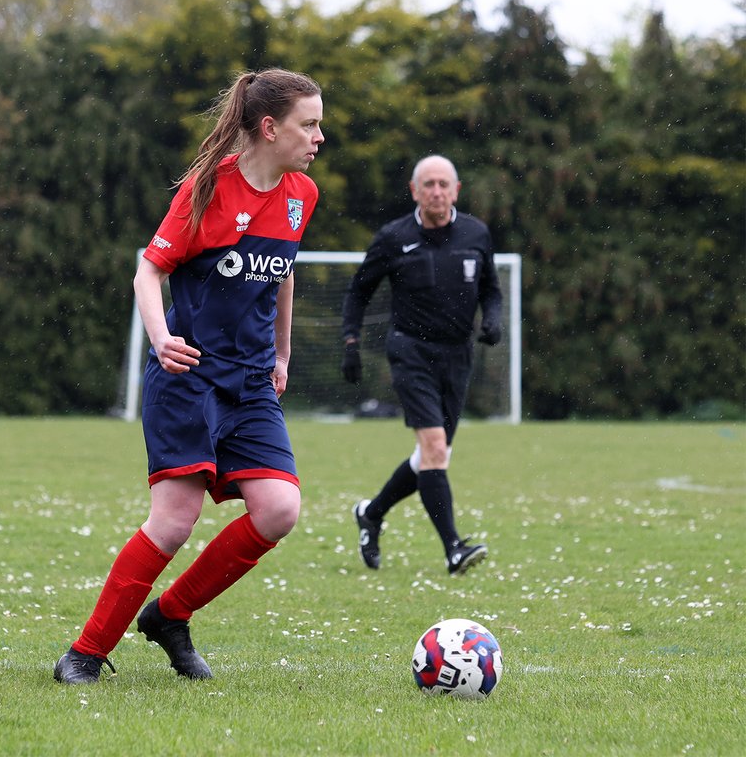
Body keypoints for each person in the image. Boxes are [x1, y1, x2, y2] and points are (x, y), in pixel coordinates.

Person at [54, 68, 324, 684]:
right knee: (175, 520)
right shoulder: (206, 189)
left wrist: (282, 355)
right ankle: (85, 653)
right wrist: (161, 339)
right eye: (308, 124)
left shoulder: (301, 194)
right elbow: (148, 273)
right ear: (268, 127)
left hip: (252, 380)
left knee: (279, 509)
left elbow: (282, 274)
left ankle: (170, 616)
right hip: (190, 374)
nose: (318, 136)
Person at [340, 154, 501, 576]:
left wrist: (494, 321)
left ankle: (371, 513)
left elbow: (492, 290)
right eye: (427, 184)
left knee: (433, 455)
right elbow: (358, 292)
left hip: (458, 356)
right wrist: (350, 342)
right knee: (433, 449)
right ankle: (453, 548)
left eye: (443, 184)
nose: (436, 191)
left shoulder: (476, 233)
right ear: (414, 190)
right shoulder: (394, 237)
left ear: (456, 190)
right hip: (411, 352)